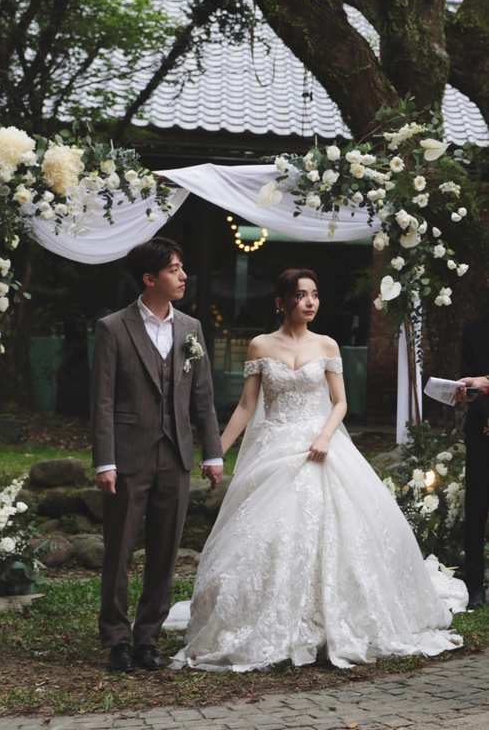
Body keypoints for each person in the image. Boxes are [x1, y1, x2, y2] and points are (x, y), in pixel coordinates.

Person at [169, 268, 466, 671]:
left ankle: (335, 618)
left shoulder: (327, 344)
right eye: (300, 295)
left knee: (339, 529)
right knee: (270, 531)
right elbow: (246, 406)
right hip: (275, 447)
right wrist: (217, 452)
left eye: (315, 294)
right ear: (281, 302)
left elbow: (340, 402)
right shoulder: (260, 346)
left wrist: (325, 436)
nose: (309, 302)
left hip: (321, 442)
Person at [90, 237, 223, 672]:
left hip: (177, 453)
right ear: (150, 279)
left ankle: (148, 638)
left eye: (182, 268)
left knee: (165, 551)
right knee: (120, 549)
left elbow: (203, 396)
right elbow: (103, 400)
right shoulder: (113, 327)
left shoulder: (191, 329)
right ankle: (116, 640)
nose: (183, 276)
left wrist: (213, 452)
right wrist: (104, 461)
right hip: (128, 455)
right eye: (174, 270)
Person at [456, 306, 489, 610]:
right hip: (482, 430)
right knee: (476, 509)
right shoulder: (474, 329)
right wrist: (467, 390)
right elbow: (468, 383)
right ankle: (475, 588)